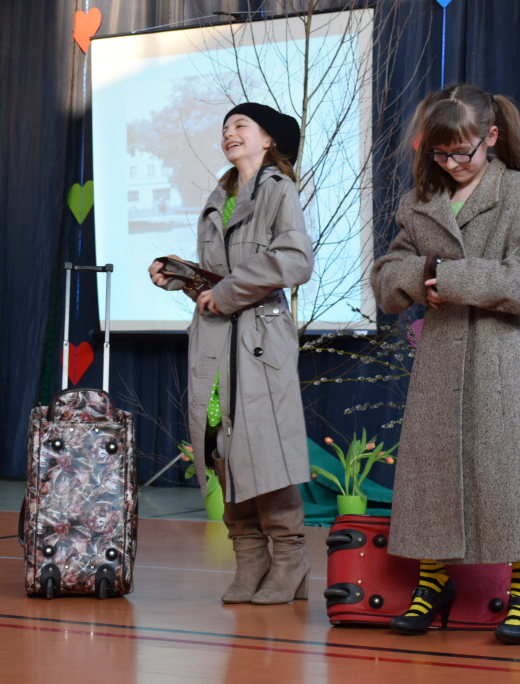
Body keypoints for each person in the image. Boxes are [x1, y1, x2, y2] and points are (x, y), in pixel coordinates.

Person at [370, 84, 520, 644]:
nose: (452, 164)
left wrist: (451, 278)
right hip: (439, 361)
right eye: (440, 153)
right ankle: (433, 581)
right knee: (434, 476)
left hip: (502, 359)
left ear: (492, 137)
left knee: (513, 476)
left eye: (463, 152)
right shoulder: (420, 203)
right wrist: (416, 278)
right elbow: (387, 275)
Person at [148, 103, 314, 605]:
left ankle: (290, 559)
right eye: (224, 128)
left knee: (265, 450)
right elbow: (213, 278)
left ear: (269, 140)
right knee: (221, 447)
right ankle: (250, 559)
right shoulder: (218, 196)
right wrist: (177, 275)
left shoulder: (279, 190)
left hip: (259, 338)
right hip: (216, 340)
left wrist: (229, 291)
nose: (229, 133)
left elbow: (294, 258)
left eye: (240, 125)